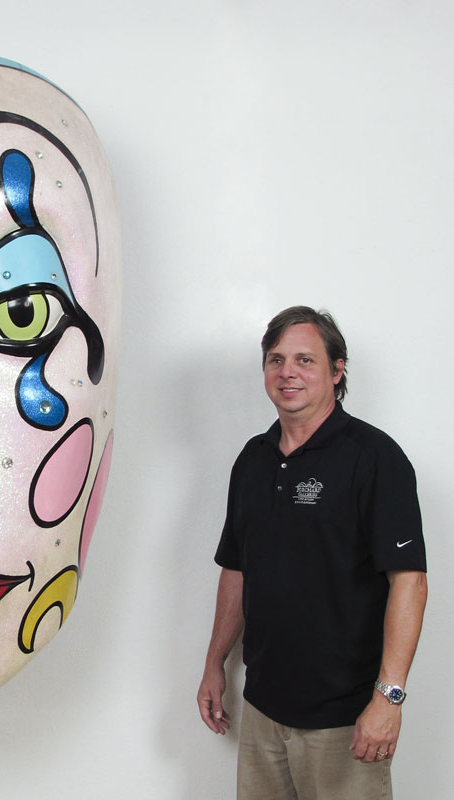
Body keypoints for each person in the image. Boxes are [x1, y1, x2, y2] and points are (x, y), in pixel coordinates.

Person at [197, 306, 427, 799]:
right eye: (276, 359)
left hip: (344, 719)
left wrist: (389, 699)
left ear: (337, 370)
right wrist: (214, 663)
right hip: (263, 710)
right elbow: (236, 569)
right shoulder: (253, 460)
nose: (287, 373)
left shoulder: (374, 458)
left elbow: (409, 581)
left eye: (305, 360)